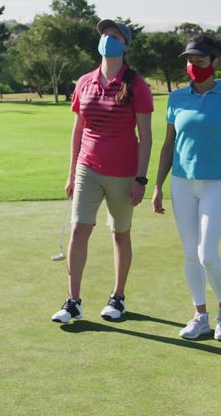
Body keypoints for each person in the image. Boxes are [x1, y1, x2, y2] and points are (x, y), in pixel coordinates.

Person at [151, 35, 221, 341]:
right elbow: (168, 146)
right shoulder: (176, 99)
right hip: (181, 184)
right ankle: (200, 315)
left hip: (215, 185)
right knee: (189, 254)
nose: (193, 65)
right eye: (189, 60)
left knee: (207, 253)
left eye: (199, 60)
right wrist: (157, 185)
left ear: (215, 62)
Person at [52, 19, 154, 324]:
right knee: (79, 229)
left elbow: (145, 136)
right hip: (88, 168)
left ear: (126, 45)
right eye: (105, 35)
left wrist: (140, 179)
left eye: (115, 36)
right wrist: (72, 173)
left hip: (124, 173)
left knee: (119, 233)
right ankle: (73, 301)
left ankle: (117, 297)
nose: (108, 39)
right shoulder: (84, 82)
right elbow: (78, 130)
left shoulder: (136, 85)